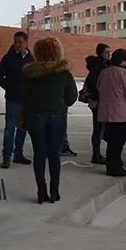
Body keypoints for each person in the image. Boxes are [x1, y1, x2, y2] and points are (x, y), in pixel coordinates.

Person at [22, 37, 78, 204]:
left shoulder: (30, 73)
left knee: (39, 153)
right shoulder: (64, 73)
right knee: (54, 154)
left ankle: (41, 189)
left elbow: (23, 96)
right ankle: (55, 190)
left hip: (35, 115)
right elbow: (72, 97)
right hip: (57, 116)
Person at [0, 32, 35, 168]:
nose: (17, 44)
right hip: (12, 99)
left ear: (26, 43)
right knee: (9, 128)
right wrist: (9, 87)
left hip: (27, 100)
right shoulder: (8, 58)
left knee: (22, 128)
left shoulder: (31, 59)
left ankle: (18, 154)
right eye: (15, 42)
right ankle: (6, 157)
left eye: (20, 42)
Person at [97, 49, 126, 177]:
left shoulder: (104, 72)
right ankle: (116, 167)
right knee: (119, 142)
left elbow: (98, 87)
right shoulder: (125, 74)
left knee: (111, 141)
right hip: (121, 112)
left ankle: (111, 165)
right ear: (123, 60)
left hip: (106, 111)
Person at [85, 43, 111, 164]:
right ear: (101, 53)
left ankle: (97, 152)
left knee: (100, 127)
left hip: (97, 100)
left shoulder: (103, 65)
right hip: (97, 101)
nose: (109, 54)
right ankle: (96, 153)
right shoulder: (99, 67)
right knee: (99, 128)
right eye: (106, 52)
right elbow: (95, 84)